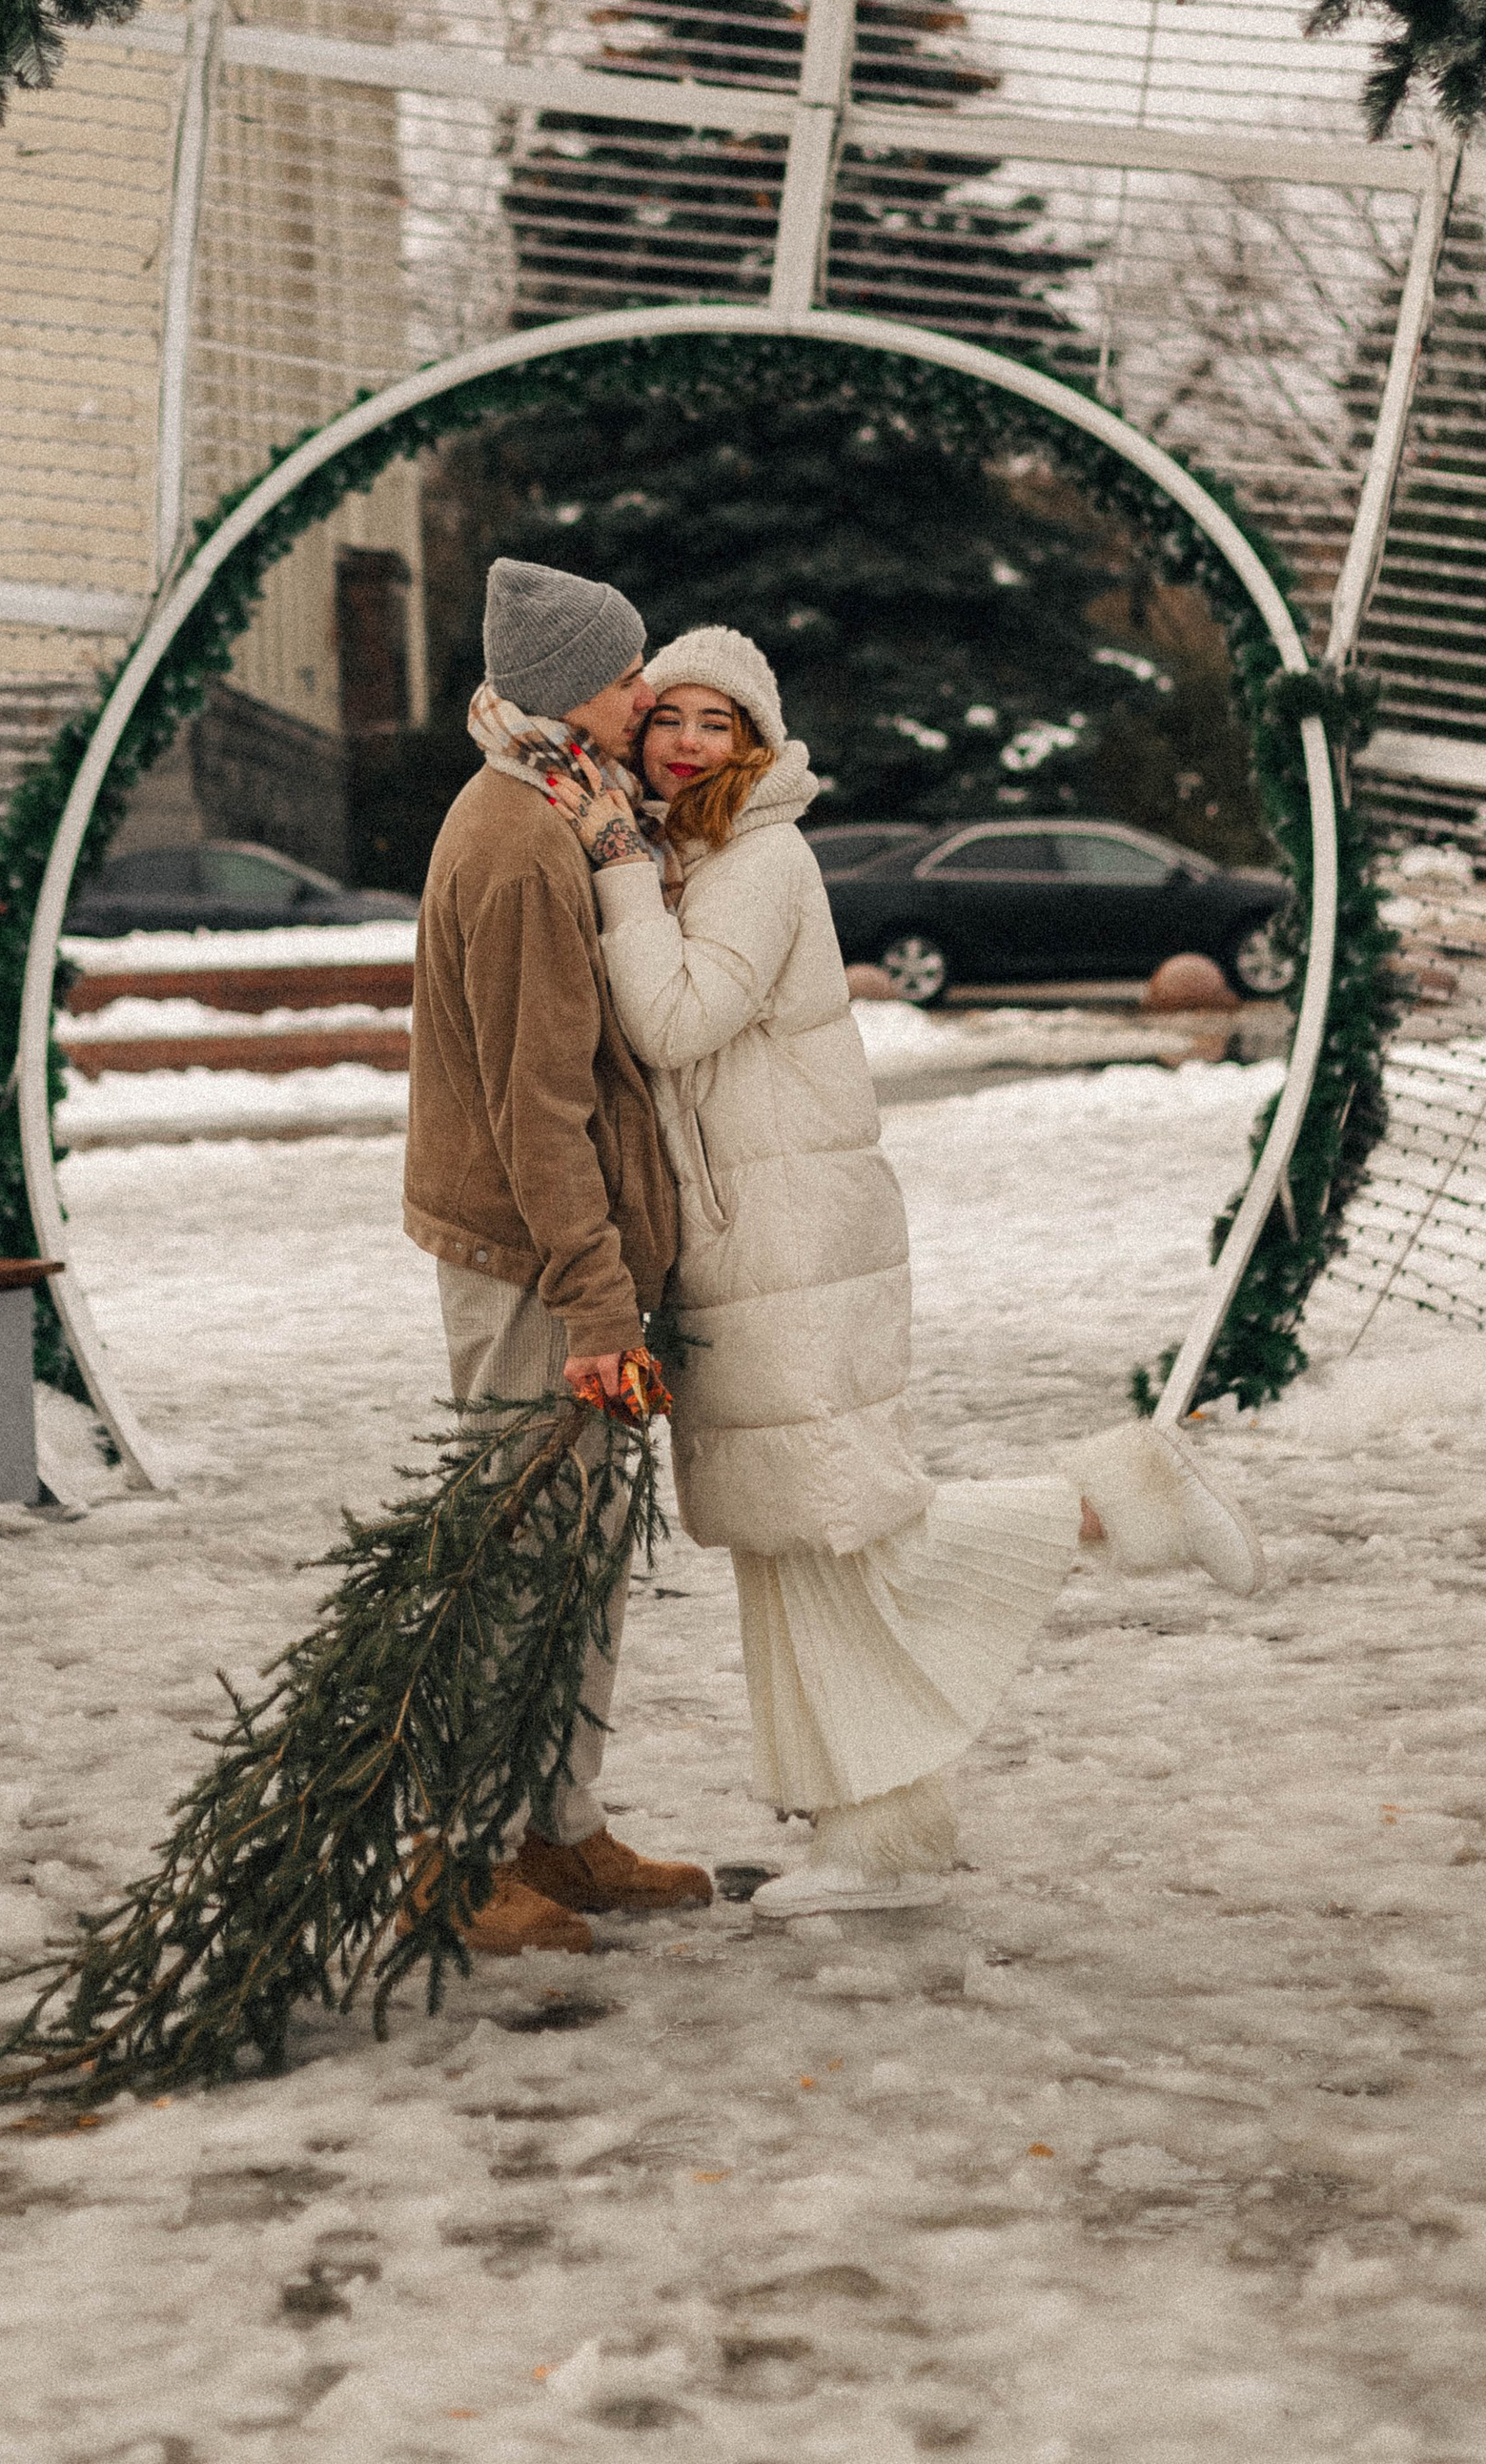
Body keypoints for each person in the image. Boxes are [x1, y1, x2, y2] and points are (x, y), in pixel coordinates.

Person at [545, 624, 1263, 1911]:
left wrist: (609, 876)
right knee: (798, 1536)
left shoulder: (756, 860)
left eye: (720, 722)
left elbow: (674, 1019)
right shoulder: (696, 853)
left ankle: (1119, 1493)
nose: (688, 741)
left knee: (841, 1516)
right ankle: (880, 1837)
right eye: (672, 719)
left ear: (755, 744)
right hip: (749, 1235)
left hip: (789, 1240)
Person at [402, 556, 716, 1955]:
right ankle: (460, 1859)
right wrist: (597, 1301)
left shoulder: (553, 808)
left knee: (580, 1556)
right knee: (523, 1559)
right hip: (536, 1270)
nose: (645, 692)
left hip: (564, 1265)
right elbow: (540, 1108)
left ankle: (558, 1830)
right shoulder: (520, 843)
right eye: (624, 671)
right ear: (564, 693)